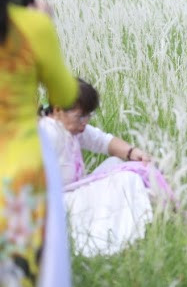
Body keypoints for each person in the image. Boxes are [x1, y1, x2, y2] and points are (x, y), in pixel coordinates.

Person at [0, 0, 78, 287]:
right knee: (17, 276)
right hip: (20, 174)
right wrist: (44, 24)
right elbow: (65, 94)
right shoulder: (31, 26)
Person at [39, 79, 173, 257]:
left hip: (73, 193)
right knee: (127, 178)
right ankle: (141, 219)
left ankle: (155, 210)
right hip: (60, 205)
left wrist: (133, 152)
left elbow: (102, 140)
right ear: (57, 110)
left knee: (118, 164)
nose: (85, 122)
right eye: (80, 116)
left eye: (88, 115)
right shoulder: (48, 132)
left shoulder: (69, 127)